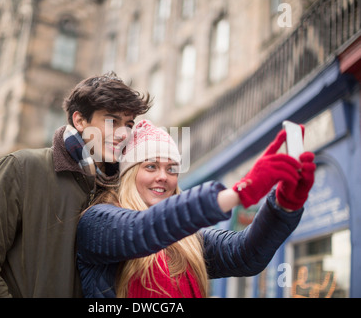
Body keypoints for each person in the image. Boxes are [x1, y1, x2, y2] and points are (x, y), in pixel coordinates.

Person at [0, 72, 152, 297]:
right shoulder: (21, 169)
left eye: (129, 124)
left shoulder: (125, 190)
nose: (124, 133)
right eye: (112, 121)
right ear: (80, 120)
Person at [76, 120, 316, 298]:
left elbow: (246, 254)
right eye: (150, 166)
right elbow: (142, 229)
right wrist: (238, 192)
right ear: (129, 173)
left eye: (171, 169)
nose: (163, 177)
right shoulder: (97, 221)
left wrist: (285, 204)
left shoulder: (189, 240)